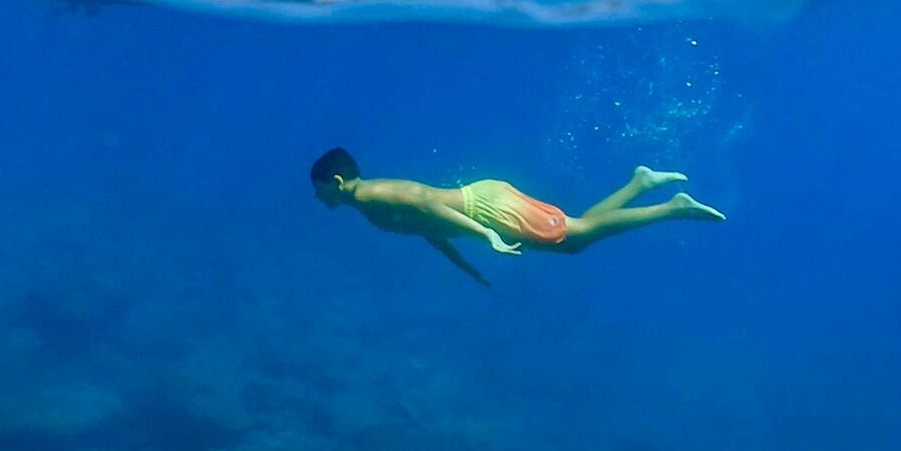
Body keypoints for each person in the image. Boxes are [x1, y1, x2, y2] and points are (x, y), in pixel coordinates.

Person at [310, 148, 725, 286]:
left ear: (337, 181)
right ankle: (640, 182)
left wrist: (486, 236)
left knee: (577, 236)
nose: (317, 197)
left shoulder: (371, 196)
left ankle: (673, 208)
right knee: (576, 234)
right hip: (483, 206)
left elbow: (426, 203)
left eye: (319, 188)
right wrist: (465, 267)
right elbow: (427, 227)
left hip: (487, 210)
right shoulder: (367, 202)